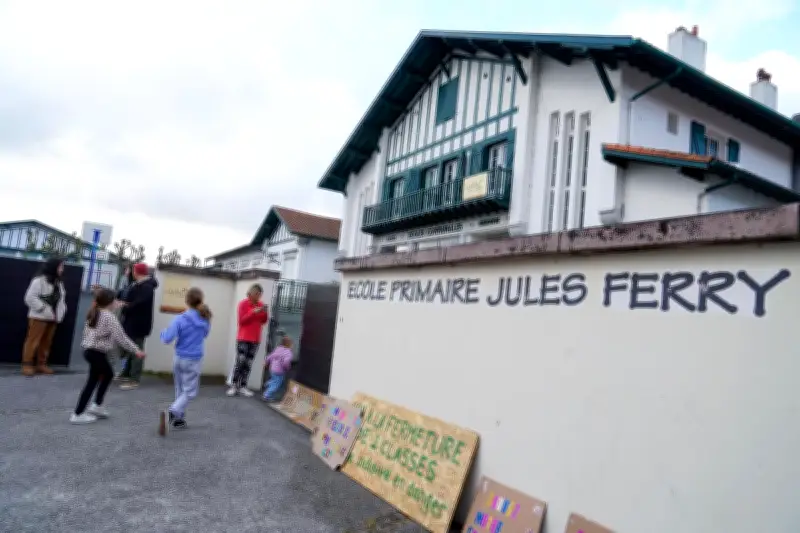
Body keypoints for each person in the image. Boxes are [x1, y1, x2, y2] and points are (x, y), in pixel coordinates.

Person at [71, 288, 146, 424]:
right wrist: (137, 350)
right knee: (96, 380)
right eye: (115, 300)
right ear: (110, 302)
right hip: (96, 353)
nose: (117, 302)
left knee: (103, 376)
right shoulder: (109, 317)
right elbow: (121, 337)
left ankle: (96, 406)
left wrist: (116, 306)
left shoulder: (95, 312)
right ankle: (79, 413)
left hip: (90, 351)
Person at [158, 287, 211, 435]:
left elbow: (167, 339)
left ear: (187, 301)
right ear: (201, 301)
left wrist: (163, 333)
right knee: (190, 392)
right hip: (193, 359)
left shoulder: (180, 319)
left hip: (178, 358)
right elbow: (205, 334)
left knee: (180, 389)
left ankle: (179, 419)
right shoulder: (205, 319)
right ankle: (173, 412)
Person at [22, 257, 68, 376]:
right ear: (54, 267)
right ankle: (27, 364)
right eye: (60, 266)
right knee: (33, 341)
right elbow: (29, 298)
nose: (62, 269)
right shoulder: (39, 281)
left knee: (46, 342)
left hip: (53, 318)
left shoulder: (59, 282)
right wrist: (43, 309)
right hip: (38, 317)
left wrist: (60, 313)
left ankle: (41, 364)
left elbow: (61, 300)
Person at [116, 263, 159, 390]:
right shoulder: (138, 284)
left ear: (137, 271)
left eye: (133, 270)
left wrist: (126, 305)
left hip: (139, 323)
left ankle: (134, 378)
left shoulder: (146, 287)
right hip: (132, 321)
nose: (131, 272)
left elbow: (139, 303)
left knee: (136, 351)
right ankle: (127, 373)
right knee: (131, 349)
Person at [227, 284, 269, 397]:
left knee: (248, 363)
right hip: (243, 338)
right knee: (240, 362)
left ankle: (243, 386)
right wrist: (253, 312)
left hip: (255, 339)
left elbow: (264, 321)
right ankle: (234, 385)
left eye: (260, 295)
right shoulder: (243, 304)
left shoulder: (260, 304)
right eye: (257, 294)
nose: (259, 297)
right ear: (251, 294)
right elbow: (242, 321)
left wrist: (264, 312)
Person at [262, 336, 292, 402]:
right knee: (277, 384)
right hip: (280, 371)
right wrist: (287, 368)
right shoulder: (288, 352)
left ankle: (268, 383)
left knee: (274, 380)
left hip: (272, 369)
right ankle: (267, 395)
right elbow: (286, 362)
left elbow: (270, 356)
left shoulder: (277, 349)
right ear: (289, 344)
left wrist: (266, 362)